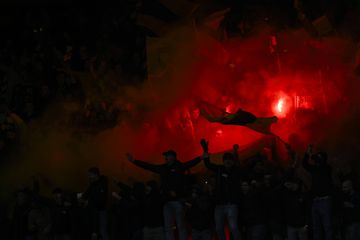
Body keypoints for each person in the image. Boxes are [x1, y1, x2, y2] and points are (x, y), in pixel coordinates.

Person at [126, 144, 203, 240]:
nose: (166, 157)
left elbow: (190, 163)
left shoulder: (179, 167)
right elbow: (148, 166)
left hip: (178, 201)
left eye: (167, 155)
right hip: (166, 202)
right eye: (166, 156)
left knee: (180, 226)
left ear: (173, 157)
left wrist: (201, 157)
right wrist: (134, 161)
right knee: (168, 227)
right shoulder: (162, 168)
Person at [201, 139, 242, 240]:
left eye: (229, 160)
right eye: (226, 160)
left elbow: (238, 164)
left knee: (233, 227)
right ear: (223, 161)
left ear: (232, 161)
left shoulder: (236, 171)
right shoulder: (219, 169)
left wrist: (235, 152)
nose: (227, 161)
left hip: (231, 204)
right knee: (219, 228)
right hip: (219, 204)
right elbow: (208, 164)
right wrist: (205, 150)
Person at [302, 145, 334, 240]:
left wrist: (311, 155)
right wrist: (307, 154)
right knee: (316, 227)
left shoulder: (327, 168)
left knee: (327, 227)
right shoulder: (315, 169)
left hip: (325, 200)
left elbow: (320, 161)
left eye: (319, 156)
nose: (317, 158)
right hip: (316, 201)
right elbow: (304, 164)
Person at [81, 167, 109, 240]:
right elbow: (86, 194)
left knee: (102, 231)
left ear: (95, 174)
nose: (89, 176)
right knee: (97, 231)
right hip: (95, 211)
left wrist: (88, 200)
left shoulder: (102, 184)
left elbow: (100, 199)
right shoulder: (93, 183)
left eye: (90, 174)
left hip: (100, 210)